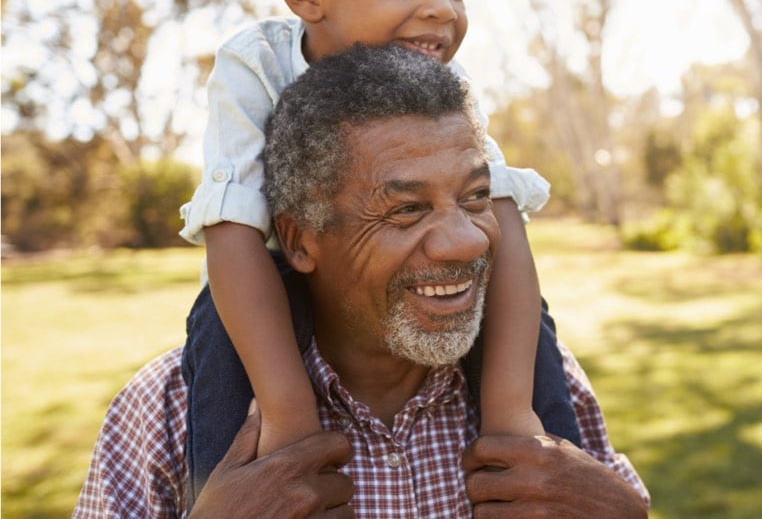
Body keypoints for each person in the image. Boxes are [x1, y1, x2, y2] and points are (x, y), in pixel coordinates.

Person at [75, 45, 650, 518]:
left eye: (476, 198)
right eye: (405, 210)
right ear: (299, 241)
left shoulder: (545, 384)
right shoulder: (169, 410)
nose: (469, 241)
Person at [176, 0, 579, 505]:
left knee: (531, 325)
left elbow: (501, 217)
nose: (441, 8)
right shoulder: (257, 65)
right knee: (217, 346)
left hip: (406, 298)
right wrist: (287, 415)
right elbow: (232, 231)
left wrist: (513, 413)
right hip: (269, 287)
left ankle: (558, 489)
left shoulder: (448, 88)